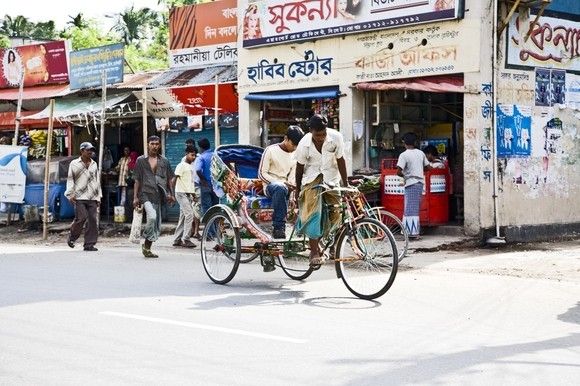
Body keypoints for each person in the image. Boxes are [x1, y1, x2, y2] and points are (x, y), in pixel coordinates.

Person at [295, 114, 348, 266]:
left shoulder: (336, 137)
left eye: (323, 134)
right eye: (318, 135)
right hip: (311, 179)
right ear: (310, 131)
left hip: (331, 178)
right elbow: (299, 168)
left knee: (337, 211)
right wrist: (298, 189)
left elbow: (341, 160)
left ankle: (331, 245)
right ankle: (313, 251)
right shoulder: (304, 143)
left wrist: (346, 183)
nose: (321, 138)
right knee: (314, 212)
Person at [259, 125, 304, 240]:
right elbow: (262, 174)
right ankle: (279, 227)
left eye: (297, 146)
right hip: (270, 186)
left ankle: (303, 229)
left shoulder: (295, 155)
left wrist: (294, 190)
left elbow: (293, 176)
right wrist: (281, 183)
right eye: (293, 144)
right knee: (280, 187)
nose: (294, 148)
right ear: (286, 138)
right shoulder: (270, 150)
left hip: (287, 186)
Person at [133, 136, 175, 258]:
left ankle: (147, 248)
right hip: (145, 194)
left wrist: (171, 194)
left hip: (159, 195)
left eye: (157, 144)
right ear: (148, 145)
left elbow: (169, 179)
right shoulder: (141, 160)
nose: (155, 146)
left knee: (156, 225)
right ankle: (145, 237)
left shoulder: (164, 161)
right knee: (152, 217)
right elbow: (137, 180)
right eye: (152, 143)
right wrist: (135, 197)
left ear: (160, 145)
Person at [64, 142, 102, 252]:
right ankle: (72, 237)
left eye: (91, 150)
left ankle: (89, 244)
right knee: (81, 218)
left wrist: (99, 196)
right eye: (88, 150)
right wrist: (70, 194)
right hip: (79, 196)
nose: (90, 152)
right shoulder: (74, 164)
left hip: (92, 196)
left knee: (92, 220)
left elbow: (97, 181)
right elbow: (70, 179)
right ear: (82, 151)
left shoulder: (94, 164)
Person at [397, 133, 431, 240]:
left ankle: (411, 233)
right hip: (420, 183)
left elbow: (398, 171)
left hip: (411, 183)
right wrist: (419, 171)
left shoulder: (404, 155)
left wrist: (406, 175)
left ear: (404, 143)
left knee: (409, 209)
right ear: (415, 142)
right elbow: (428, 167)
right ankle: (412, 231)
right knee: (414, 208)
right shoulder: (420, 153)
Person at [172, 145, 197, 248]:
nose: (194, 157)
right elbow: (174, 179)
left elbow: (189, 183)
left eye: (195, 155)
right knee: (190, 214)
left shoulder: (191, 166)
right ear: (186, 154)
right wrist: (171, 194)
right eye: (192, 155)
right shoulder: (181, 165)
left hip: (187, 194)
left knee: (183, 217)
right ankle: (185, 239)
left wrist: (193, 194)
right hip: (180, 193)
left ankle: (176, 239)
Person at [196, 138, 219, 218]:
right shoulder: (215, 155)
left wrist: (203, 180)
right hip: (216, 186)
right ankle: (215, 229)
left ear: (201, 148)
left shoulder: (201, 157)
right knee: (215, 208)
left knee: (207, 209)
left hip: (206, 186)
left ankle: (210, 230)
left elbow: (198, 170)